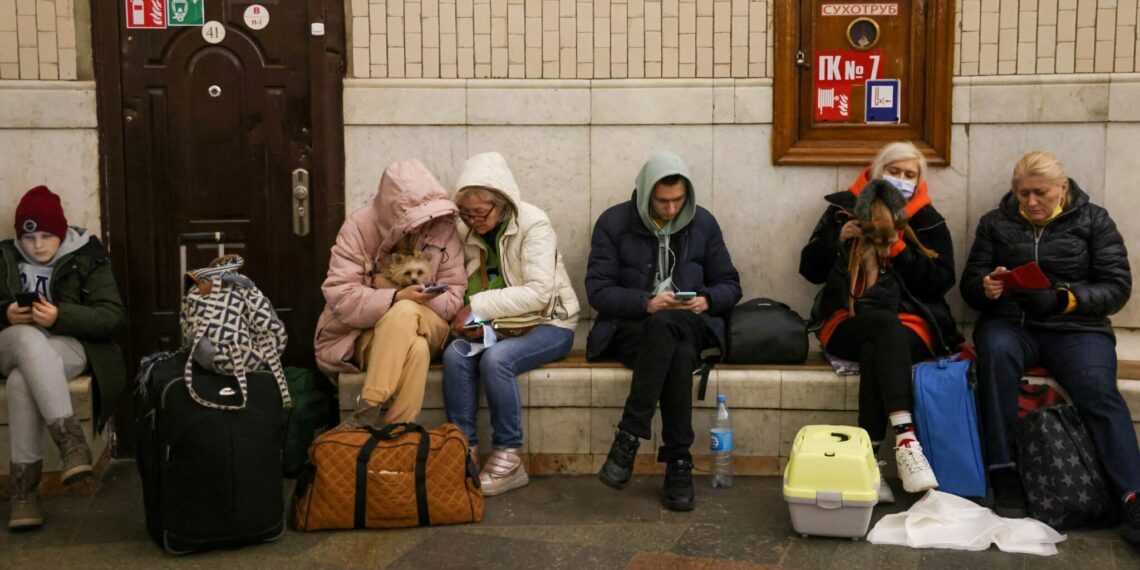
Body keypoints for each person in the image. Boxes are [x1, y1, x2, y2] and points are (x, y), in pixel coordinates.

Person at [961, 151, 1139, 541]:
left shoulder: (1094, 220)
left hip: (1077, 328)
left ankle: (1132, 494)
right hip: (1012, 323)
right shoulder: (995, 223)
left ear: (1062, 187)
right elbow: (970, 285)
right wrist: (986, 287)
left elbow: (1116, 287)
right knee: (995, 358)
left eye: (1040, 193)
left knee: (1097, 389)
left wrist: (1064, 298)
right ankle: (1004, 472)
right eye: (1023, 193)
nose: (1030, 202)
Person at [799, 141, 964, 501]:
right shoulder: (843, 209)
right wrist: (837, 240)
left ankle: (870, 465)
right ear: (877, 172)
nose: (901, 180)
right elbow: (809, 269)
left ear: (919, 180)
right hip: (848, 318)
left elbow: (939, 283)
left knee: (882, 339)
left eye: (909, 174)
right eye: (894, 172)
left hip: (911, 322)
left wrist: (900, 249)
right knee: (883, 329)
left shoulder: (927, 219)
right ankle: (906, 441)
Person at [588, 151, 742, 512]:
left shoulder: (703, 223)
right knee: (674, 346)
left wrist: (706, 299)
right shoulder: (613, 223)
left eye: (679, 201)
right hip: (632, 328)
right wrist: (647, 303)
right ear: (645, 194)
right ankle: (678, 462)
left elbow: (730, 285)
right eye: (662, 201)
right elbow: (598, 291)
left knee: (670, 328)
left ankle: (629, 437)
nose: (672, 210)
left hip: (691, 322)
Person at [441, 152, 580, 496]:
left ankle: (509, 455)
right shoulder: (466, 230)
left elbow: (538, 293)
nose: (473, 221)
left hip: (550, 324)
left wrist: (478, 308)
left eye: (481, 213)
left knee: (497, 359)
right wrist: (471, 317)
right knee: (457, 353)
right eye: (466, 213)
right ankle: (462, 450)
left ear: (501, 202)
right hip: (501, 325)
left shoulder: (533, 223)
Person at [1, 185, 126, 530]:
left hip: (67, 346)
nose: (38, 245)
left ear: (61, 232)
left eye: (47, 236)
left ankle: (24, 495)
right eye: (29, 238)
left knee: (21, 380)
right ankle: (71, 443)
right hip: (10, 344)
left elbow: (112, 316)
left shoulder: (87, 257)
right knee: (27, 338)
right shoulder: (4, 258)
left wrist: (60, 317)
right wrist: (5, 314)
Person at [315, 159, 466, 429]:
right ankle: (398, 431)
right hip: (367, 333)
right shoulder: (359, 227)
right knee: (416, 349)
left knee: (406, 310)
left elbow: (454, 297)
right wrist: (396, 297)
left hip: (431, 324)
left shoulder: (442, 228)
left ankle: (369, 404)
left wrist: (410, 297)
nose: (422, 226)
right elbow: (340, 295)